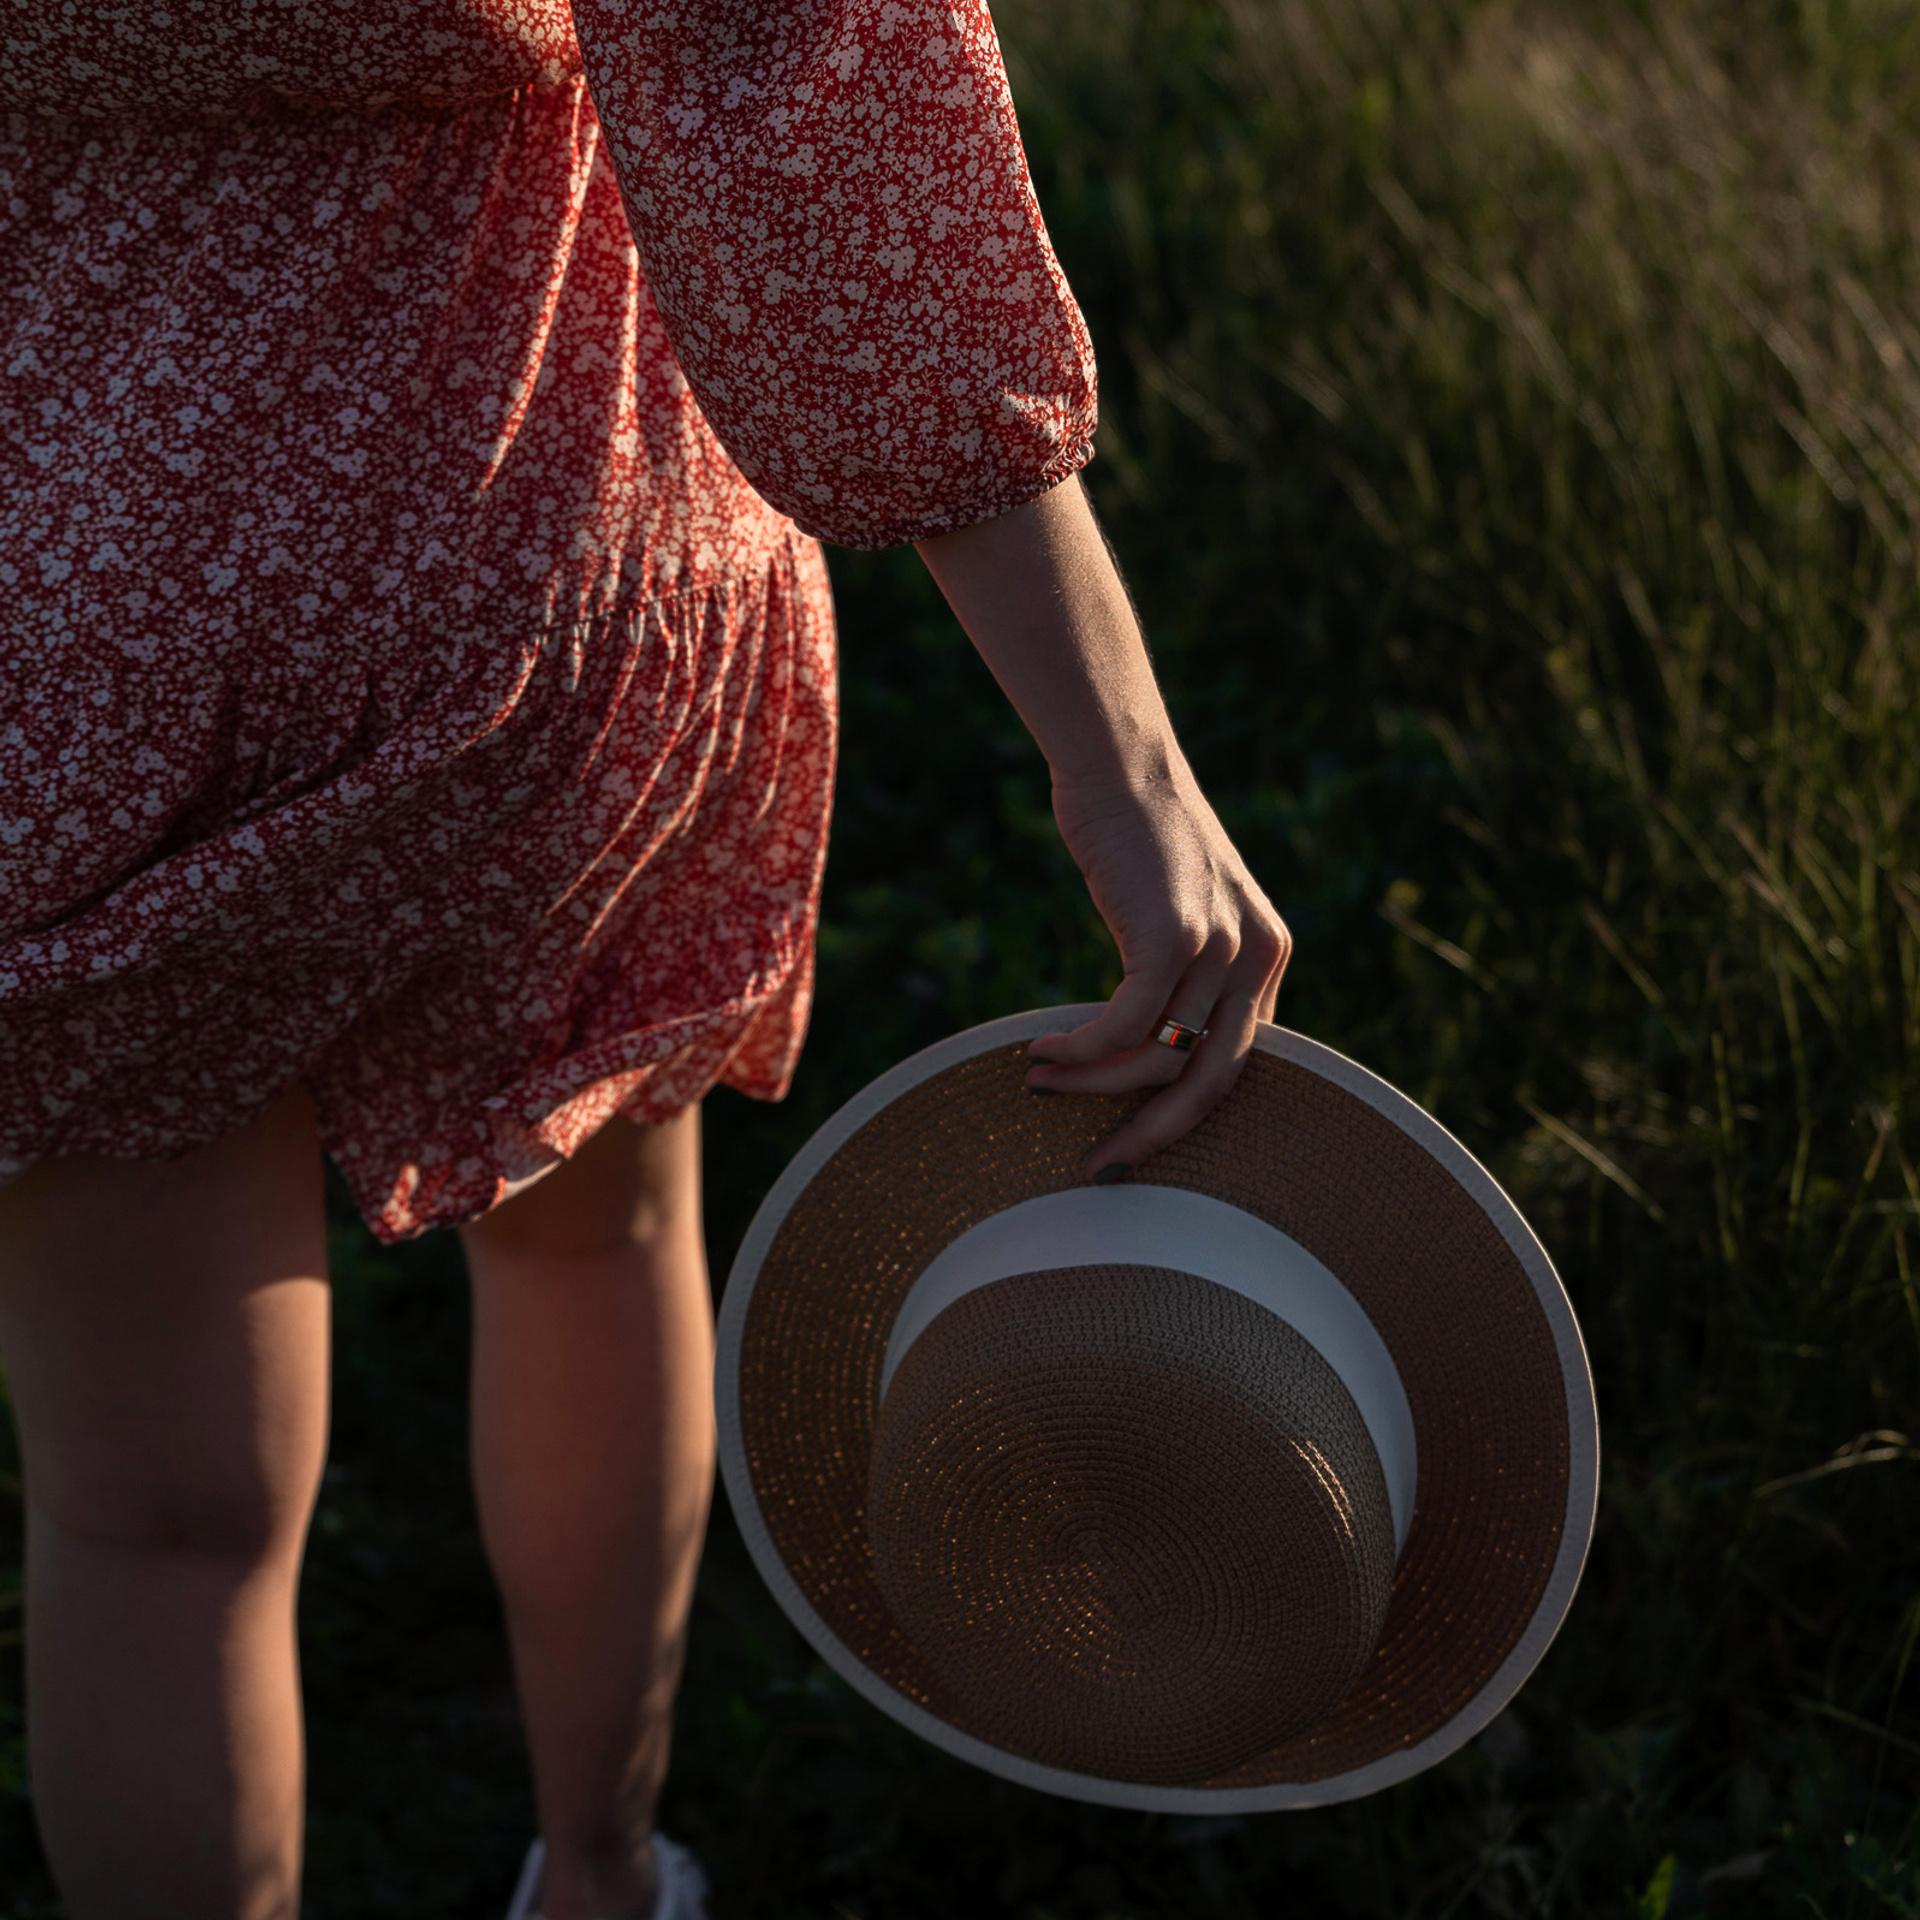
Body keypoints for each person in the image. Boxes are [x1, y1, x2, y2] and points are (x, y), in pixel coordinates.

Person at [0, 2, 1290, 1915]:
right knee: (594, 1242)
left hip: (76, 588)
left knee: (155, 1519)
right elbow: (817, 85)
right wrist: (1125, 763)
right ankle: (602, 1881)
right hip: (564, 557)